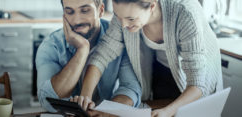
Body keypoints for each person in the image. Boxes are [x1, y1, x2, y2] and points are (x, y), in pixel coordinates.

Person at [77, 0, 223, 116]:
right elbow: (103, 54)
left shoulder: (185, 13)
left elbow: (198, 83)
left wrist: (168, 111)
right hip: (162, 71)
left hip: (196, 82)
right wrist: (86, 96)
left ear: (152, 5)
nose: (123, 25)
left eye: (130, 18)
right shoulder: (124, 14)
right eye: (118, 16)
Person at [35, 0, 142, 113]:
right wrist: (82, 49)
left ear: (100, 10)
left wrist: (105, 112)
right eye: (70, 12)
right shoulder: (51, 45)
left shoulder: (118, 37)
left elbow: (130, 88)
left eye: (85, 11)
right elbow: (47, 101)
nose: (77, 20)